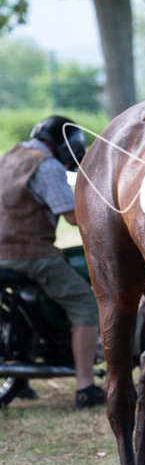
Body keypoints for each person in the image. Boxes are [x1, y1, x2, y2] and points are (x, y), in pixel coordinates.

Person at [0, 116, 105, 410]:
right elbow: (73, 216)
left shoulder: (8, 156)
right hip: (29, 253)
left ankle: (20, 379)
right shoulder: (45, 165)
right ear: (65, 145)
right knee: (85, 303)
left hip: (2, 252)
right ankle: (86, 387)